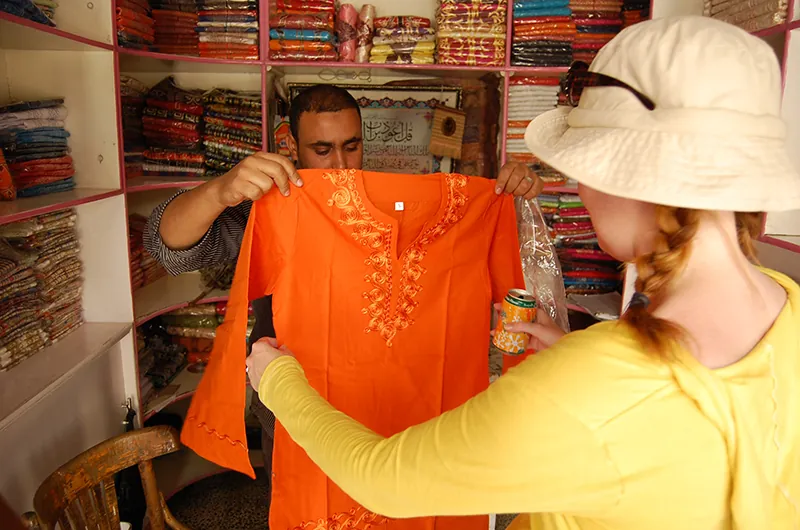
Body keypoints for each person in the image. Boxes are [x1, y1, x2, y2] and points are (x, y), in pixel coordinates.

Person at [246, 16, 800, 530]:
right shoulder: (787, 306)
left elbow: (383, 482)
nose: (580, 189)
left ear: (626, 176)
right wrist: (574, 357)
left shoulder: (594, 380)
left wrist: (277, 378)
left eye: (583, 166)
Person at [143, 84, 544, 509]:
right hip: (297, 400)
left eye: (351, 146)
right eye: (322, 149)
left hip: (403, 401)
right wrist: (220, 190)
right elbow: (167, 247)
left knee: (404, 501)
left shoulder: (400, 198)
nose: (340, 163)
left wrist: (506, 197)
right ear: (291, 145)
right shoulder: (272, 202)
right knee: (312, 503)